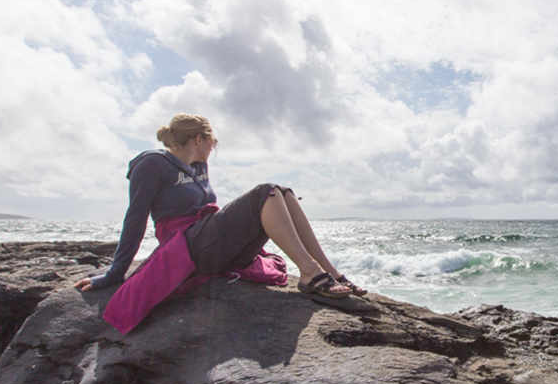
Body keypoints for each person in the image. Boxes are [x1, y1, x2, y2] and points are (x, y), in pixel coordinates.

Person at [76, 113, 365, 333]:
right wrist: (115, 274)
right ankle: (310, 273)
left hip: (210, 243)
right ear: (199, 139)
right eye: (213, 140)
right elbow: (134, 220)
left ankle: (330, 272)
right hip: (188, 248)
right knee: (266, 191)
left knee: (282, 192)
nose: (215, 146)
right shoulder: (151, 164)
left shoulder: (199, 165)